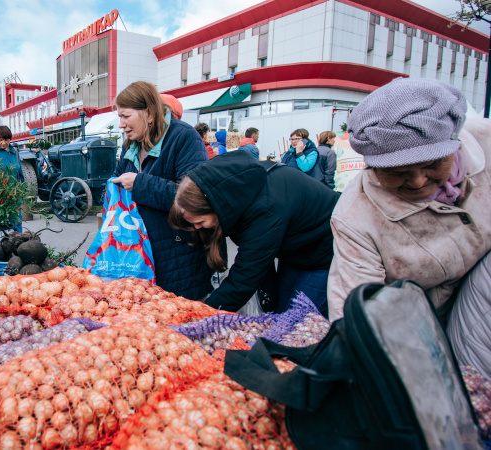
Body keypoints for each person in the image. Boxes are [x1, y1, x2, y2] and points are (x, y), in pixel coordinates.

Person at [327, 76, 491, 363]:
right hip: (420, 325)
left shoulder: (486, 142)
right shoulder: (355, 217)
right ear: (371, 167)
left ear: (452, 146)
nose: (417, 182)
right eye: (396, 171)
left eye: (432, 164)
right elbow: (355, 309)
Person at [170, 151, 340, 316]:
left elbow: (244, 278)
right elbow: (259, 258)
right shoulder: (237, 194)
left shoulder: (264, 211)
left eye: (200, 222)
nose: (198, 228)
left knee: (299, 326)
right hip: (296, 251)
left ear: (216, 208)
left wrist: (200, 314)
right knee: (280, 314)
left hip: (325, 253)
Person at [111, 81, 213, 301]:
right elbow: (117, 180)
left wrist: (140, 184)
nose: (121, 124)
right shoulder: (130, 144)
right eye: (119, 117)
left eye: (125, 116)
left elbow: (194, 198)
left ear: (148, 113)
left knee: (178, 323)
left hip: (178, 258)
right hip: (138, 254)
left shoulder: (184, 137)